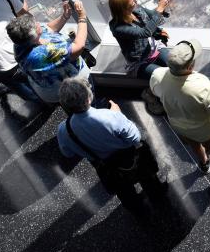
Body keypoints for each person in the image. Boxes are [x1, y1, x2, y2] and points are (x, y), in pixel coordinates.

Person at [56, 77, 166, 213]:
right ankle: (158, 197)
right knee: (148, 179)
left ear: (64, 104)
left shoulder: (63, 130)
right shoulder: (109, 116)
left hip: (105, 166)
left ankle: (137, 209)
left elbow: (68, 153)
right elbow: (135, 138)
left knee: (124, 192)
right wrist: (118, 114)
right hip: (130, 157)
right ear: (89, 98)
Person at [150, 39, 210, 184]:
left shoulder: (157, 75)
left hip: (179, 126)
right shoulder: (201, 84)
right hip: (208, 130)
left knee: (194, 144)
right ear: (190, 65)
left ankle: (205, 164)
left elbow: (157, 92)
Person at [6, 0, 90, 104]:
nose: (38, 23)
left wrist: (65, 16)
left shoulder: (21, 41)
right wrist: (82, 17)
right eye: (36, 24)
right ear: (34, 35)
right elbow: (78, 46)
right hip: (72, 89)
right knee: (84, 104)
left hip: (54, 86)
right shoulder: (41, 54)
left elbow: (48, 29)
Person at [108, 0, 171, 114]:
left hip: (154, 48)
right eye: (132, 2)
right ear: (124, 8)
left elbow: (153, 15)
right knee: (164, 77)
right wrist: (160, 8)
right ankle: (150, 93)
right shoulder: (118, 28)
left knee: (174, 63)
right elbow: (145, 33)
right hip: (139, 61)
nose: (136, 2)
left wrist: (161, 5)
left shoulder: (137, 11)